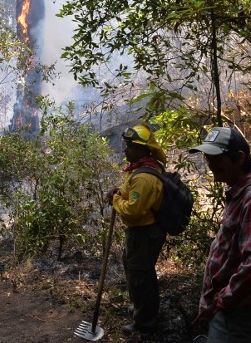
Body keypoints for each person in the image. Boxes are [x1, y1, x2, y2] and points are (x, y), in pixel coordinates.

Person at [190, 126, 251, 343]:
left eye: (215, 157)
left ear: (239, 158)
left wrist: (223, 300)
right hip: (238, 313)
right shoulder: (248, 191)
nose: (210, 164)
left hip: (240, 317)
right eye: (207, 157)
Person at [107, 124, 168, 339]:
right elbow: (131, 192)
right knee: (136, 273)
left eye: (131, 147)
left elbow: (133, 210)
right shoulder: (142, 168)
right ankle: (140, 310)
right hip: (141, 233)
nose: (126, 150)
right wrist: (120, 191)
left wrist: (115, 199)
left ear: (144, 150)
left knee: (141, 277)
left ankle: (146, 323)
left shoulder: (145, 178)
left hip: (144, 233)